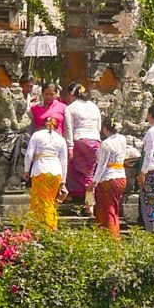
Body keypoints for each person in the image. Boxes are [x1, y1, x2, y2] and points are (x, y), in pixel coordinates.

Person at [23, 115, 68, 229]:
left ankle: (44, 227)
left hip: (40, 170)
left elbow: (29, 154)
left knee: (40, 201)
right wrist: (63, 180)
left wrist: (26, 170)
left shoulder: (36, 135)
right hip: (56, 172)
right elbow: (64, 161)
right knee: (50, 200)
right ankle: (50, 225)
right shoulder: (61, 139)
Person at [63, 85, 102, 213]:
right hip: (94, 141)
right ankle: (87, 203)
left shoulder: (70, 108)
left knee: (72, 168)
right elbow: (99, 127)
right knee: (89, 173)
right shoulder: (94, 107)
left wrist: (70, 146)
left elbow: (68, 128)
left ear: (73, 94)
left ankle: (75, 198)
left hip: (79, 140)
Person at [91, 116, 132, 235]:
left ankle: (112, 236)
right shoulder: (122, 139)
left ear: (105, 128)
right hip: (121, 177)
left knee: (108, 209)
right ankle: (111, 233)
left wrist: (94, 182)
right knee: (114, 208)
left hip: (108, 178)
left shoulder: (106, 144)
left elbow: (102, 165)